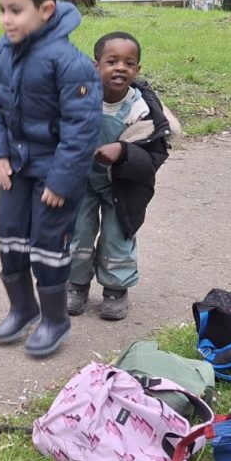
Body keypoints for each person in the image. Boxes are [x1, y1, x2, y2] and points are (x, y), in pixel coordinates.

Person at [0, 0, 102, 358]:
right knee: (10, 238)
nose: (6, 20)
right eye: (2, 10)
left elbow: (81, 129)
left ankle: (54, 319)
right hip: (16, 169)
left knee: (48, 246)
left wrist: (61, 180)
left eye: (15, 11)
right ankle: (22, 307)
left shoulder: (71, 63)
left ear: (45, 10)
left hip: (54, 174)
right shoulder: (3, 51)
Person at [67, 31, 172, 322]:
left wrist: (124, 151)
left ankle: (115, 289)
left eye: (129, 63)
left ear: (137, 70)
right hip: (81, 182)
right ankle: (75, 284)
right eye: (112, 61)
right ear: (95, 66)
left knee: (117, 237)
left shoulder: (141, 109)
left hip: (122, 186)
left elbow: (154, 156)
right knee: (77, 233)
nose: (120, 68)